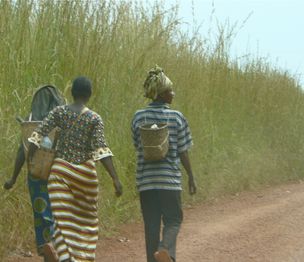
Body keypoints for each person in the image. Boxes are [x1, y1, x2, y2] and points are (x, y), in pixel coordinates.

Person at [27, 76, 123, 262]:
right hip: (85, 178)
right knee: (86, 223)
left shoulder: (59, 112)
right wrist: (115, 179)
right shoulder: (95, 118)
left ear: (72, 93)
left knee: (61, 221)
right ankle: (79, 257)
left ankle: (62, 254)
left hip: (60, 173)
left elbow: (38, 134)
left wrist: (31, 157)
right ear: (89, 95)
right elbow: (101, 150)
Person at [131, 66, 197, 262]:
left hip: (146, 182)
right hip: (169, 181)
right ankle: (165, 248)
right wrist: (191, 176)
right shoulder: (176, 117)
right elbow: (183, 151)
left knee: (151, 227)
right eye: (170, 90)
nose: (173, 93)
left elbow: (138, 146)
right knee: (174, 220)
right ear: (162, 94)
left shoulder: (138, 117)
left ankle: (158, 255)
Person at [4, 85, 65, 258]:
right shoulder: (64, 120)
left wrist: (13, 179)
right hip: (59, 175)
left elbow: (21, 152)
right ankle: (60, 248)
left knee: (42, 214)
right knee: (60, 213)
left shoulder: (30, 122)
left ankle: (47, 249)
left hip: (36, 176)